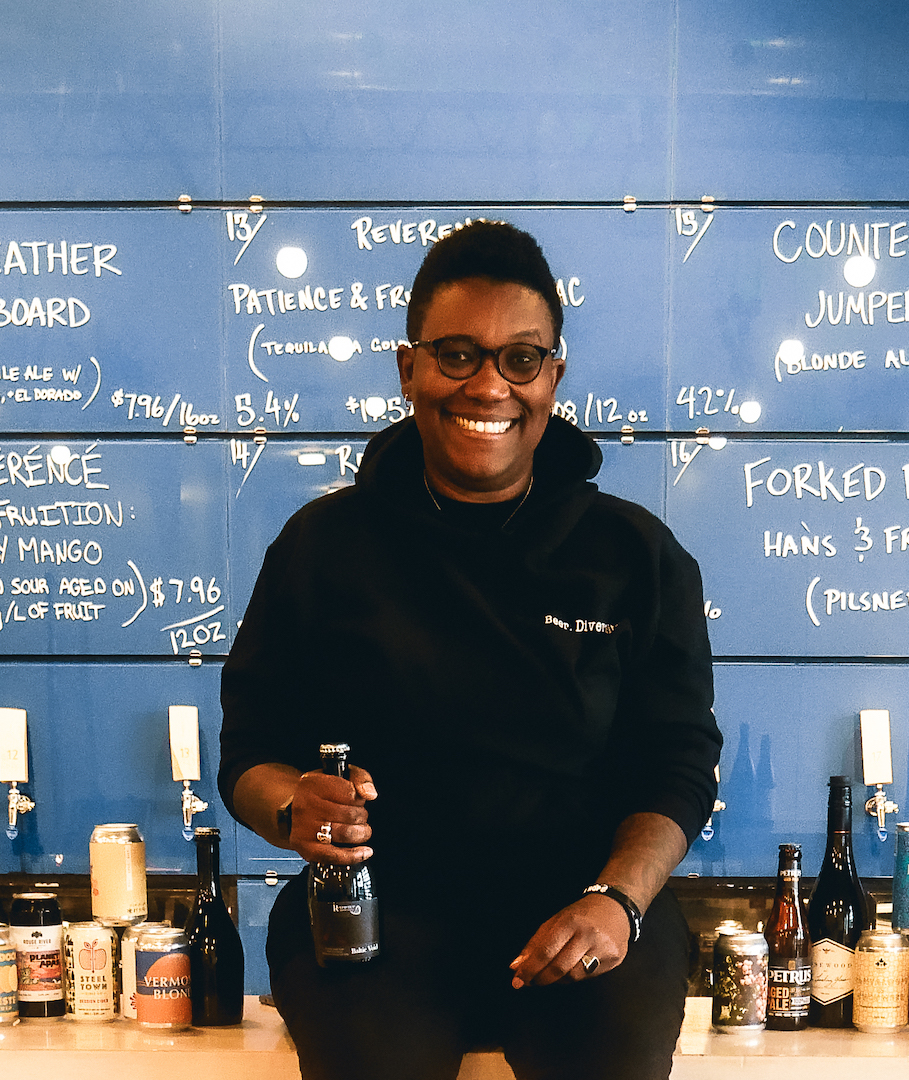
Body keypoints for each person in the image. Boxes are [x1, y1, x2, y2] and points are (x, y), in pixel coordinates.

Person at [219, 221, 721, 1080]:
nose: (489, 385)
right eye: (457, 354)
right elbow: (249, 752)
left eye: (521, 359)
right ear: (409, 368)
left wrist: (619, 902)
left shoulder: (635, 557)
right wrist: (292, 806)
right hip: (373, 913)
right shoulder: (321, 547)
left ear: (553, 377)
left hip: (580, 906)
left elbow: (677, 766)